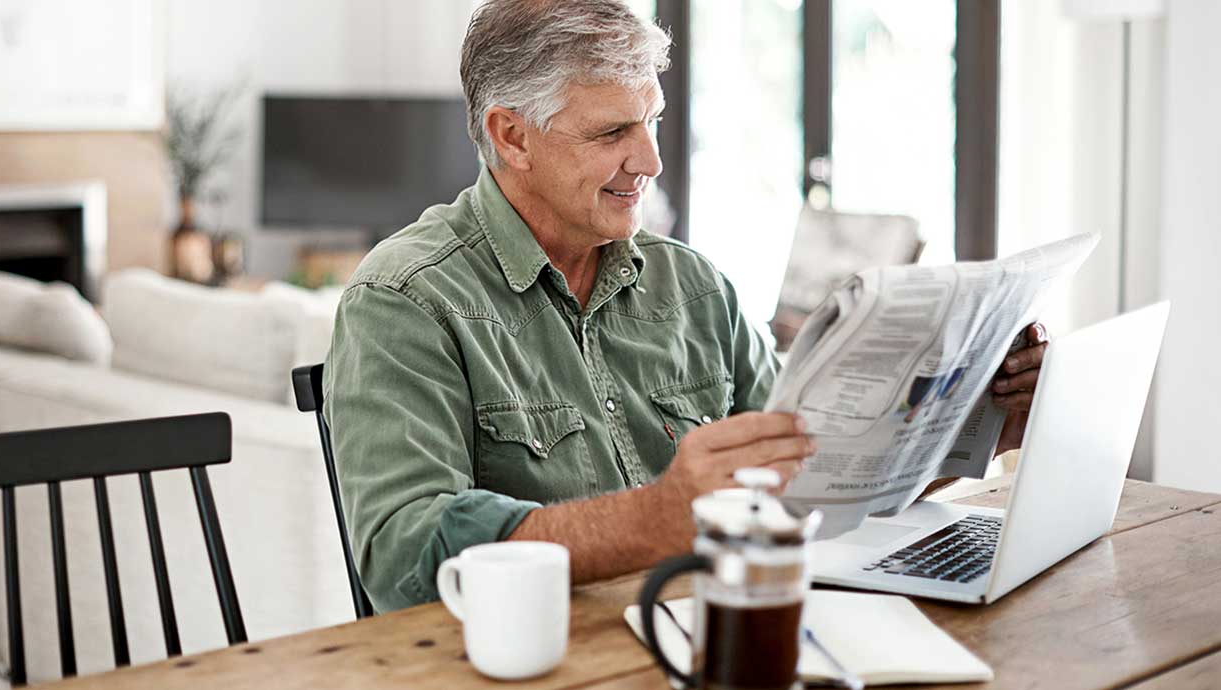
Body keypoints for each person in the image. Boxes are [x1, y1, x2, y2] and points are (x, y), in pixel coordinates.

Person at [324, 0, 1047, 613]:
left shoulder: (696, 288)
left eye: (652, 122)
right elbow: (402, 556)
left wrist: (986, 421)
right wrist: (657, 519)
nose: (650, 161)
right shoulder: (404, 300)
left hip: (718, 631)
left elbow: (819, 479)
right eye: (612, 133)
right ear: (512, 136)